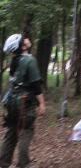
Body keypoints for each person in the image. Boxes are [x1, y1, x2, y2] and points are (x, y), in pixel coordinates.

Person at [0, 34, 45, 168]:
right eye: (23, 39)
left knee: (11, 132)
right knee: (26, 131)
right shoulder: (29, 60)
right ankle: (23, 164)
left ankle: (3, 162)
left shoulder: (15, 60)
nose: (26, 39)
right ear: (22, 46)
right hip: (24, 103)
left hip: (11, 102)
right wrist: (42, 103)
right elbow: (36, 85)